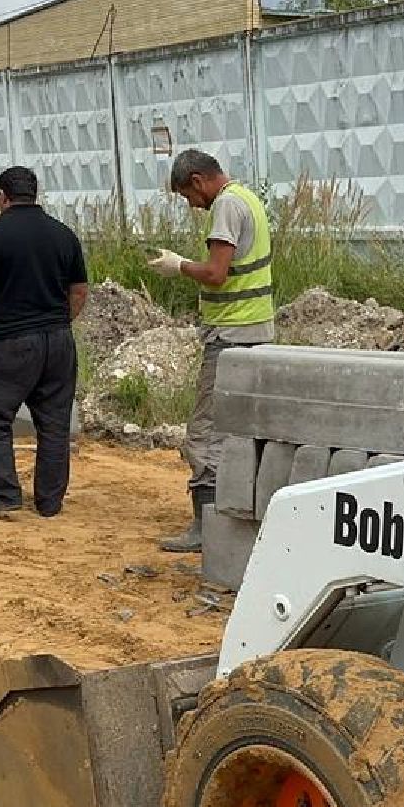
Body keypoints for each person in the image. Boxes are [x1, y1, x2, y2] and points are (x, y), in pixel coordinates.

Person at [145, 149, 275, 552]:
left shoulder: (226, 205)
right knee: (244, 431)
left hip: (231, 334)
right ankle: (242, 518)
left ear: (199, 180)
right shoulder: (249, 198)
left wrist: (180, 265)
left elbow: (217, 273)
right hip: (258, 330)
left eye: (188, 195)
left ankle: (208, 526)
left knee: (204, 433)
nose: (191, 204)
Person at [0, 166, 87, 519]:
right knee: (54, 423)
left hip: (12, 343)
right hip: (60, 341)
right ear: (35, 193)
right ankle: (49, 502)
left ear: (2, 196)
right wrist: (61, 321)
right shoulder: (64, 234)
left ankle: (4, 494)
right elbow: (79, 290)